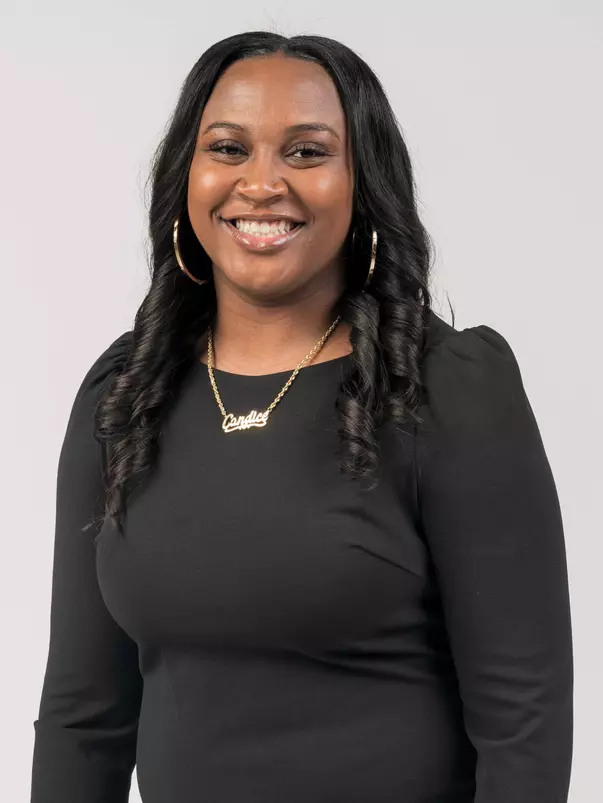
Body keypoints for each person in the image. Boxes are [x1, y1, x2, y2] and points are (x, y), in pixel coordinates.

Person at [30, 30, 573, 803]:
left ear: (362, 183)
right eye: (228, 148)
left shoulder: (444, 388)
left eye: (306, 152)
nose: (261, 183)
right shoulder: (124, 395)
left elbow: (524, 720)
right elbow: (83, 718)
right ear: (188, 176)